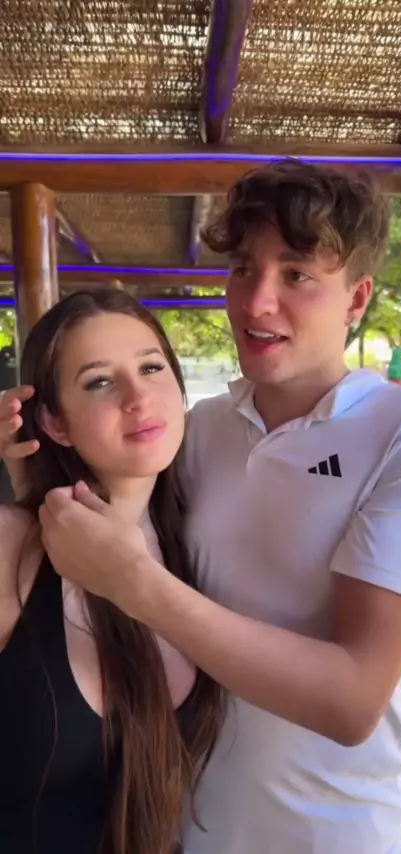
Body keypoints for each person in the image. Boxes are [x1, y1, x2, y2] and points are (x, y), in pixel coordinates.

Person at [1, 162, 401, 854]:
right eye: (244, 270)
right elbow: (101, 503)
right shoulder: (200, 431)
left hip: (328, 833)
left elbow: (350, 702)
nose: (257, 303)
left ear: (356, 298)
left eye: (297, 274)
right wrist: (32, 468)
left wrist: (135, 583)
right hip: (184, 826)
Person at [0, 288, 221, 854]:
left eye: (151, 367)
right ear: (56, 423)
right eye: (99, 381)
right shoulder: (12, 546)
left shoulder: (196, 534)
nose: (138, 397)